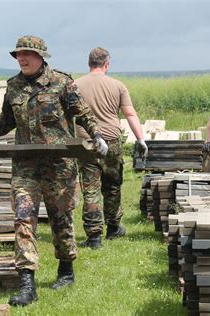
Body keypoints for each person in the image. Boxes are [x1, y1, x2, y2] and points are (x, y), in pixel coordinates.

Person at [0, 35, 107, 306]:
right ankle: (27, 283)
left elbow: (83, 113)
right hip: (26, 166)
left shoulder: (62, 82)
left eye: (26, 54)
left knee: (61, 219)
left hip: (59, 167)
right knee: (23, 218)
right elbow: (4, 122)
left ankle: (65, 268)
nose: (21, 59)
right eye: (18, 55)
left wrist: (97, 135)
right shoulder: (13, 87)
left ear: (40, 56)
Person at [74, 47, 147, 249]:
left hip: (85, 143)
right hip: (112, 141)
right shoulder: (118, 85)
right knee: (112, 186)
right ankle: (113, 227)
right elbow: (130, 114)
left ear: (89, 63)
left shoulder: (75, 85)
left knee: (90, 189)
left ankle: (94, 235)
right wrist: (140, 139)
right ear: (107, 64)